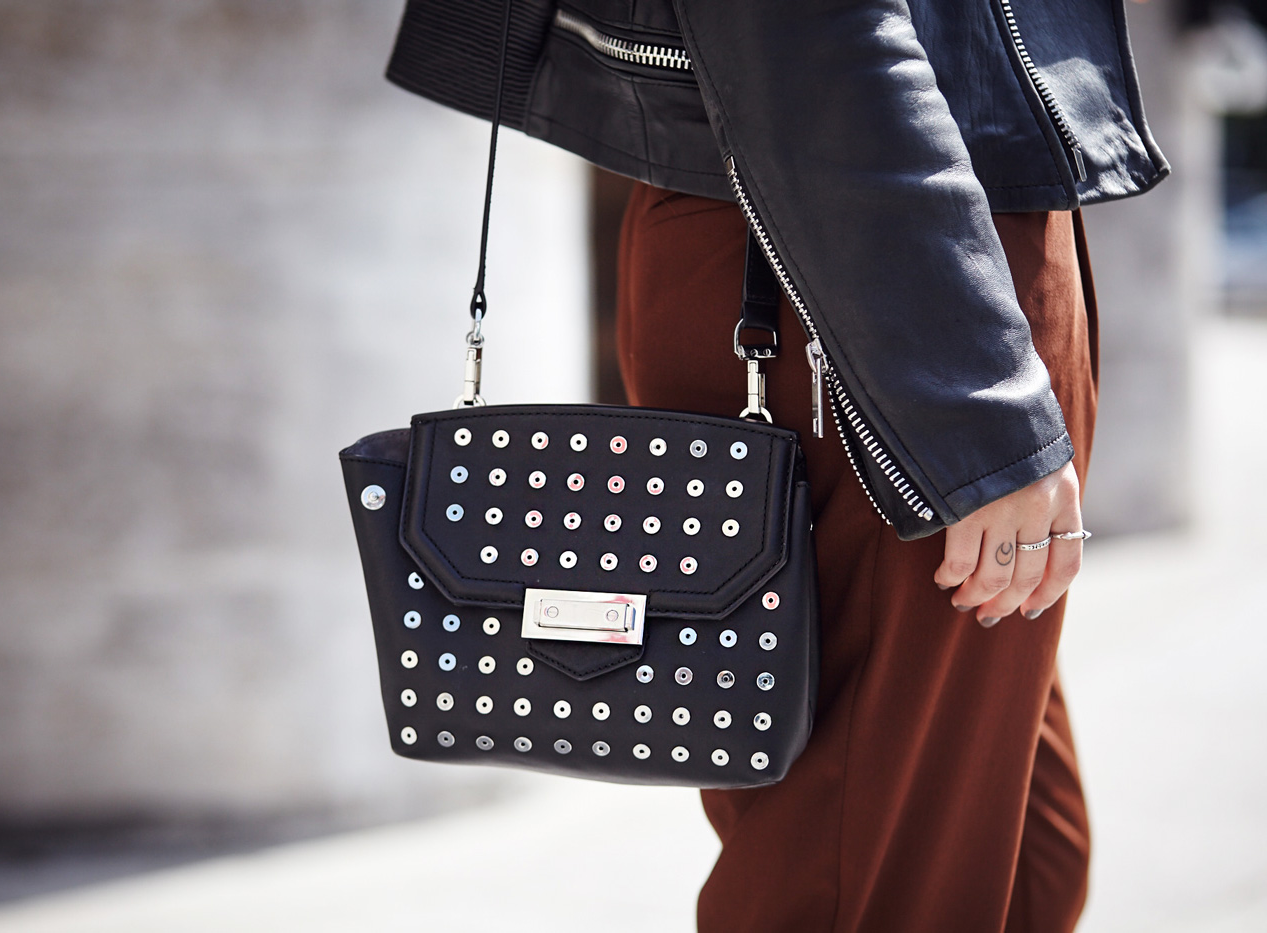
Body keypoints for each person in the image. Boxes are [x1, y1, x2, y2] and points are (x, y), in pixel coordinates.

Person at [385, 1, 1168, 930]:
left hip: (907, 235)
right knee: (857, 885)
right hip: (870, 258)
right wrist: (976, 395)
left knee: (1016, 870)